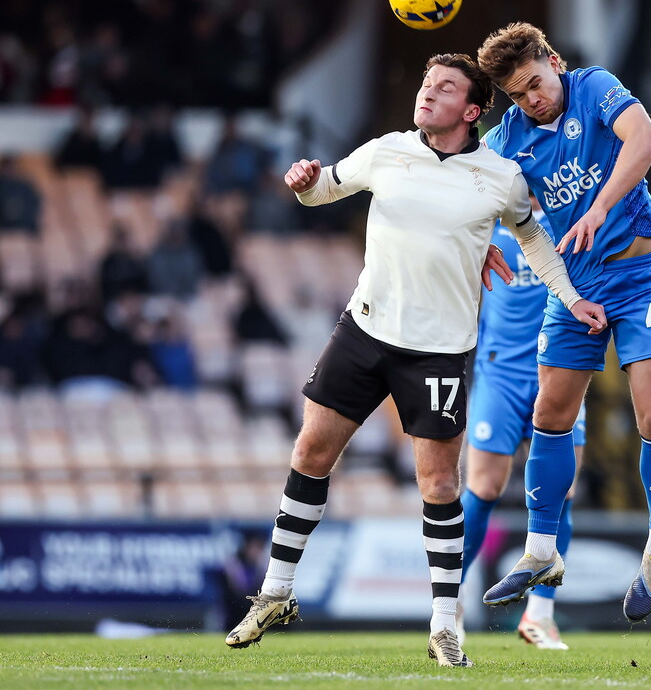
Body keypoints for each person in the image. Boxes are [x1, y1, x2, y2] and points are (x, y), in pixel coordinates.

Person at [224, 52, 606, 668]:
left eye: (444, 88)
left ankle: (444, 626)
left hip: (438, 352)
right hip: (365, 330)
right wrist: (303, 182)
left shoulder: (500, 177)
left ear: (473, 110)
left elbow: (532, 240)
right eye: (426, 82)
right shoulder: (386, 150)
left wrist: (572, 297)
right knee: (310, 454)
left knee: (438, 485)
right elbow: (325, 190)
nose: (427, 93)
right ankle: (275, 592)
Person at [476, 23, 651, 624]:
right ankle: (540, 553)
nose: (532, 100)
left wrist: (598, 207)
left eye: (536, 84)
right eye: (517, 94)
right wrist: (477, 239)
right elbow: (471, 193)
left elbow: (644, 142)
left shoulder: (594, 88)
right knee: (549, 414)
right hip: (573, 287)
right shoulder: (508, 139)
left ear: (555, 63)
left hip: (640, 274)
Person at [461, 218, 651, 648]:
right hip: (500, 371)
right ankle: (451, 604)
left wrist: (643, 254)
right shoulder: (490, 212)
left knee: (564, 491)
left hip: (560, 371)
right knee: (482, 487)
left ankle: (540, 615)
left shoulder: (572, 219)